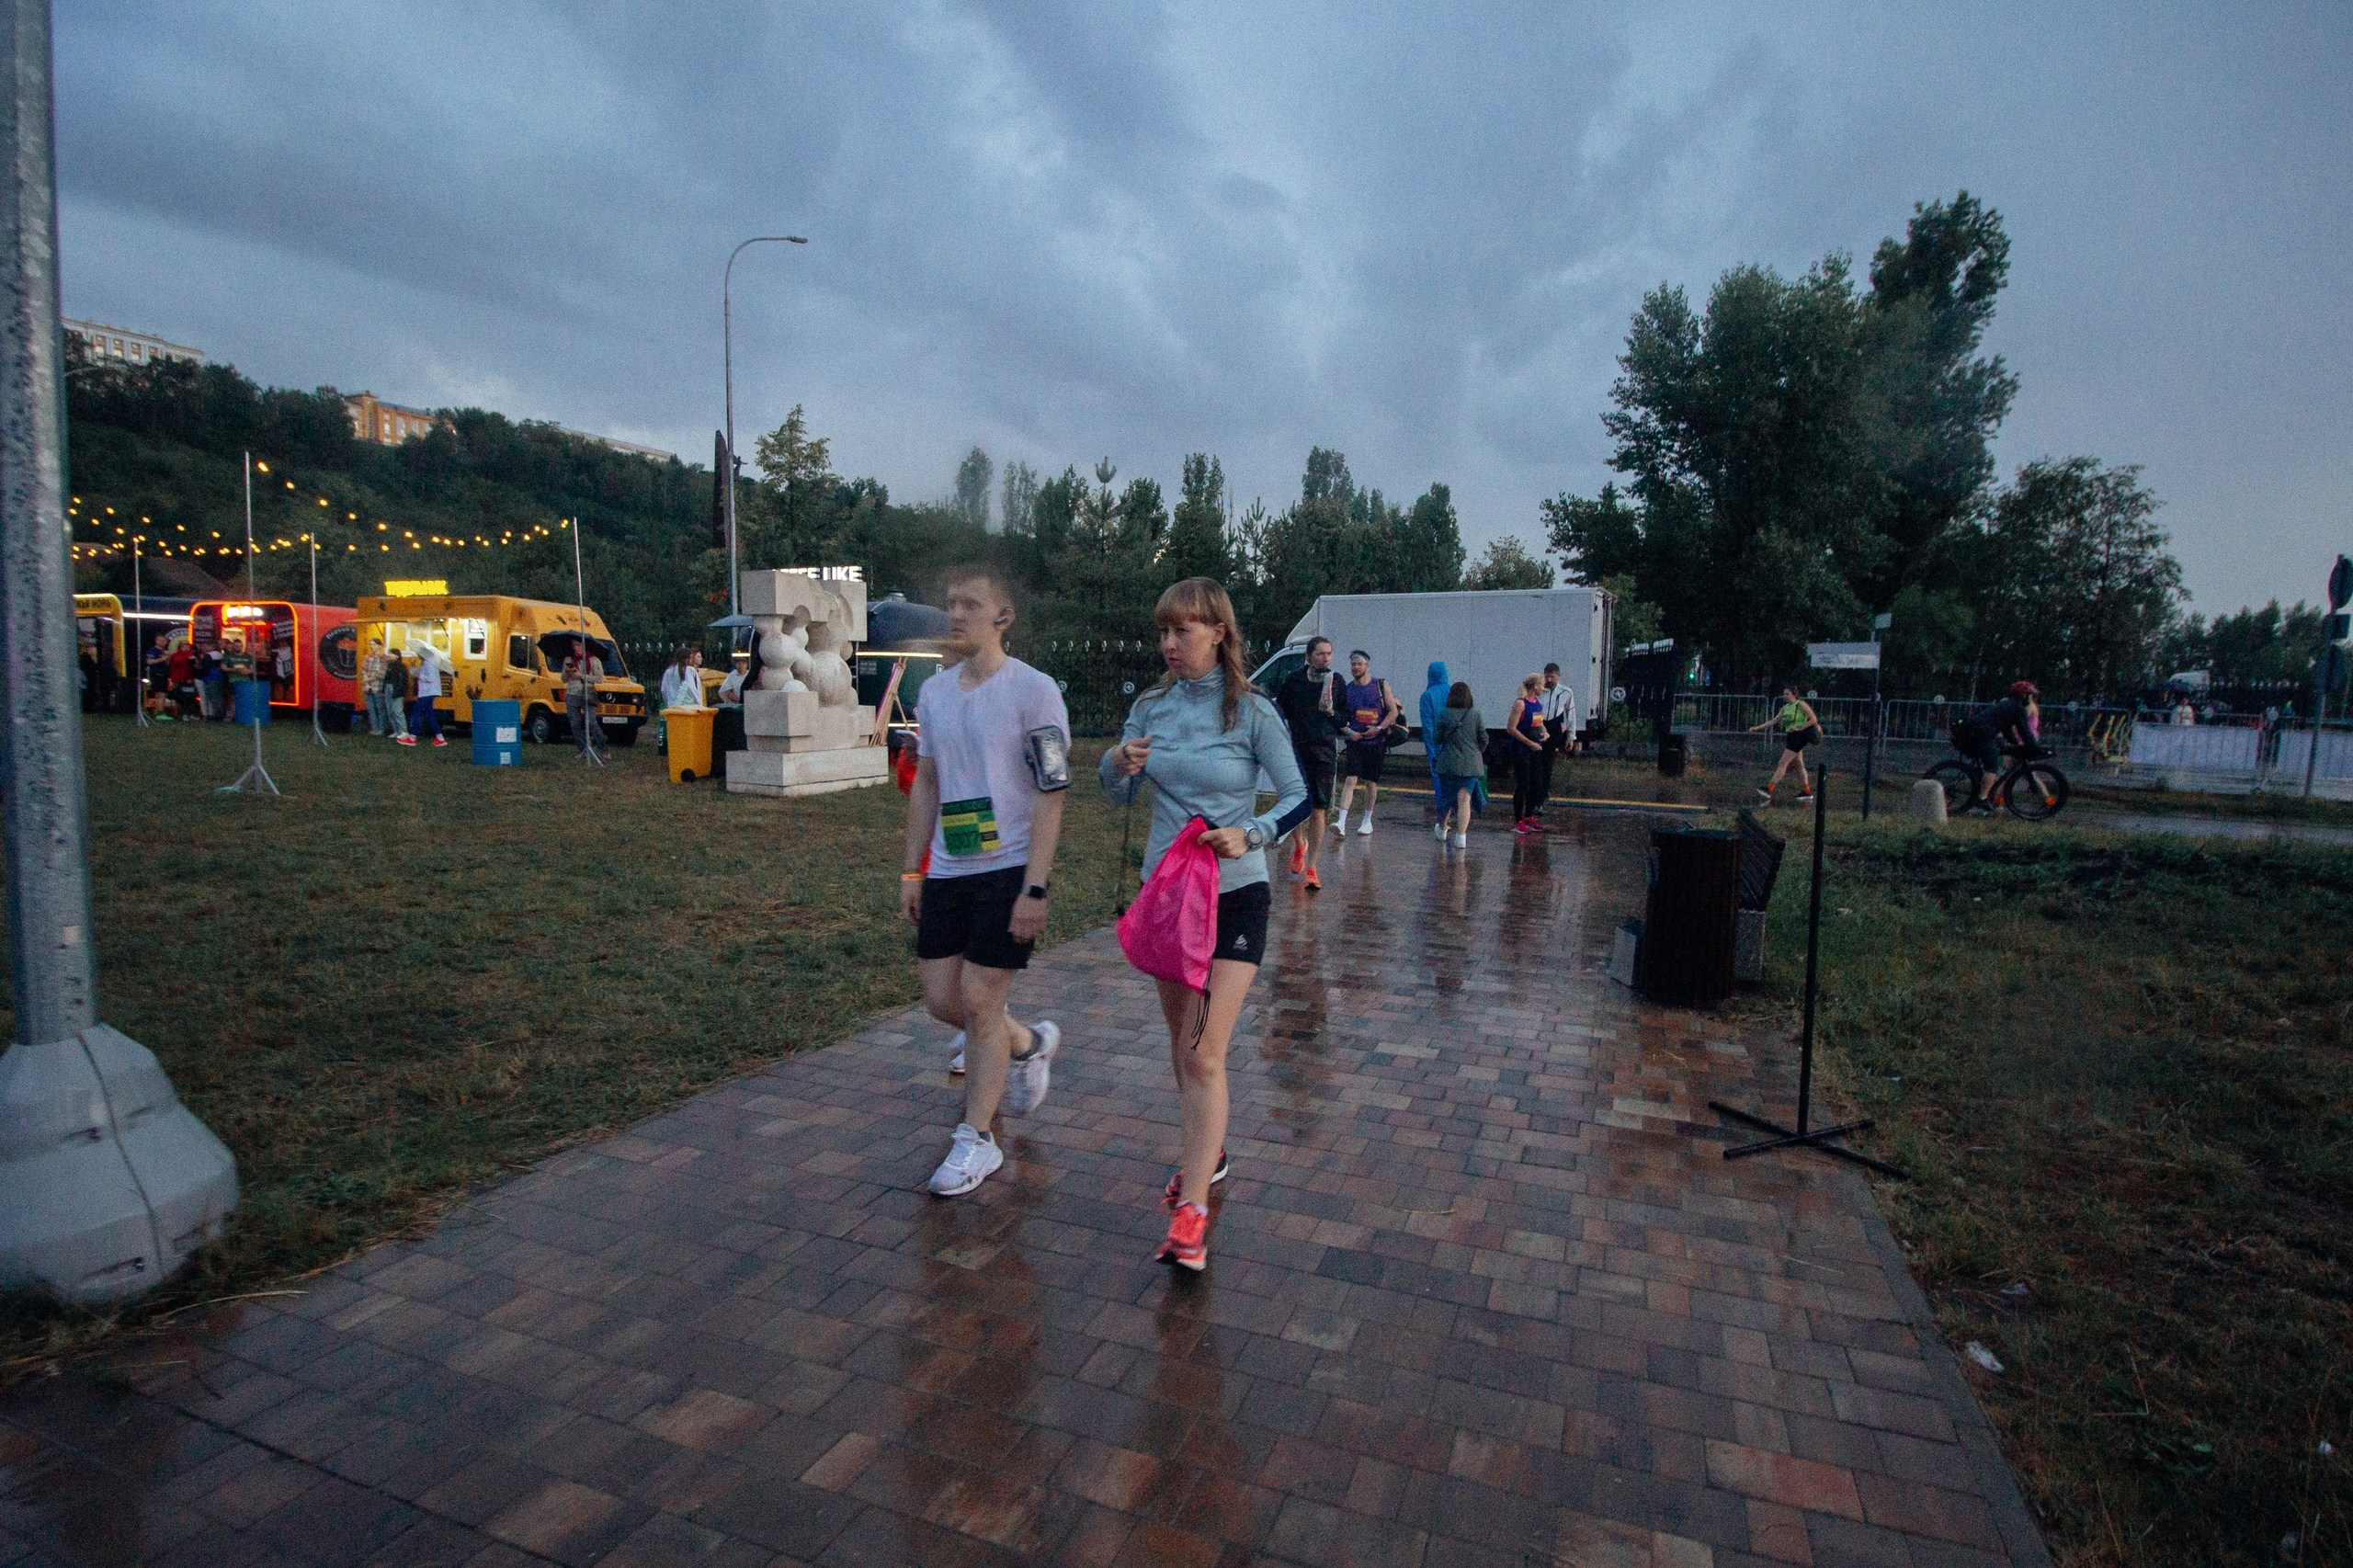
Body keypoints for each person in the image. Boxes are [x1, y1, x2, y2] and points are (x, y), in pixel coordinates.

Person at [1103, 577, 1308, 1271]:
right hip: (1166, 897)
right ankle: (1208, 1150)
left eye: (1182, 630)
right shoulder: (1149, 708)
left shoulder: (1251, 712)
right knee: (1181, 1041)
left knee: (1204, 1051)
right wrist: (1116, 762)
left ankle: (1191, 1213)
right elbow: (1116, 790)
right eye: (1162, 631)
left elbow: (1300, 796)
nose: (1168, 643)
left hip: (1236, 896)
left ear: (1218, 632)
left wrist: (1249, 834)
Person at [903, 565, 1070, 1200]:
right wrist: (911, 868)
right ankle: (1027, 1043)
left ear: (1004, 617)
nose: (955, 613)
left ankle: (977, 1140)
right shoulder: (937, 694)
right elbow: (926, 782)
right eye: (950, 603)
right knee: (943, 1000)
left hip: (1009, 867)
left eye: (971, 604)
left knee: (978, 1001)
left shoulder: (1034, 690)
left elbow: (1053, 791)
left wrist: (1036, 887)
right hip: (949, 867)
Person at [1272, 636, 1344, 890]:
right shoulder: (1295, 679)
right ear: (1309, 656)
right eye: (1321, 653)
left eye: (1329, 653)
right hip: (1298, 750)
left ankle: (1312, 867)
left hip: (1324, 752)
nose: (1326, 658)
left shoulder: (1335, 681)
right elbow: (1280, 709)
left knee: (1319, 809)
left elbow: (1344, 716)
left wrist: (1332, 713)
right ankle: (1299, 843)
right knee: (1296, 803)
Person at [1331, 650, 1404, 838]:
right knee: (1350, 779)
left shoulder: (1380, 685)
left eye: (1359, 664)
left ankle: (1367, 820)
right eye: (1353, 664)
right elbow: (1341, 716)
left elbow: (1392, 712)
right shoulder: (1348, 690)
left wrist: (1378, 728)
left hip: (1376, 741)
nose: (1355, 667)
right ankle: (1341, 822)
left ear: (1367, 666)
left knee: (1371, 783)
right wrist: (1350, 732)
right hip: (1356, 740)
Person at [1951, 681, 2041, 811]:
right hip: (1978, 735)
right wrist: (2033, 747)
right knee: (1992, 765)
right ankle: (1982, 798)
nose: (2032, 698)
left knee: (1997, 751)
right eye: (2030, 695)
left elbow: (2007, 730)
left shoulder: (2008, 705)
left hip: (1975, 733)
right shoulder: (2018, 708)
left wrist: (2017, 744)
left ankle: (1980, 785)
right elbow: (2024, 731)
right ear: (2024, 696)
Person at [1429, 681, 1485, 849]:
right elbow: (1483, 739)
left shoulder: (1444, 714)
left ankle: (1442, 828)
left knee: (1447, 799)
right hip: (1471, 765)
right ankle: (1461, 837)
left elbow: (1437, 738)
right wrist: (1476, 750)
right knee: (1464, 799)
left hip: (1448, 764)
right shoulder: (1475, 714)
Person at [1749, 686, 1822, 805]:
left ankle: (1769, 789)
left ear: (1794, 694)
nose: (1785, 696)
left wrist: (1800, 727)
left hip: (1799, 736)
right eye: (1784, 693)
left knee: (1783, 763)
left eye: (1787, 693)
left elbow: (1813, 719)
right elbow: (1774, 721)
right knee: (1799, 765)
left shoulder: (1801, 705)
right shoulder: (1786, 708)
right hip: (1791, 736)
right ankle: (1807, 792)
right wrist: (1757, 728)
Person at [1505, 673, 1550, 833]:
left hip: (1536, 749)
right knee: (1523, 784)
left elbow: (1540, 723)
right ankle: (1518, 820)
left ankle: (1529, 815)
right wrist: (1529, 743)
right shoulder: (1520, 704)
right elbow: (1511, 728)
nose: (1544, 688)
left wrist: (1545, 733)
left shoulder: (1537, 703)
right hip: (1521, 750)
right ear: (1535, 686)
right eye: (1542, 685)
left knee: (1536, 783)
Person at [1536, 662, 1577, 817]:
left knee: (1548, 765)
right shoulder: (1540, 691)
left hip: (1554, 728)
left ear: (1558, 676)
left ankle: (1542, 797)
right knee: (1537, 765)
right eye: (1547, 676)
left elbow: (1570, 714)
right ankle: (1536, 795)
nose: (1549, 679)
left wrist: (1571, 737)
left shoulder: (1566, 692)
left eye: (1552, 676)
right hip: (1540, 724)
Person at [563, 636, 608, 760]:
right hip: (572, 692)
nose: (576, 648)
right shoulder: (569, 659)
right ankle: (583, 749)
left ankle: (603, 749)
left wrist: (581, 675)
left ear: (583, 645)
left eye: (578, 645)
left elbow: (599, 678)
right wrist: (568, 674)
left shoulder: (593, 660)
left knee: (591, 722)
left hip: (587, 692)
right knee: (575, 723)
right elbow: (563, 679)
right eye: (573, 646)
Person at [402, 646, 448, 747]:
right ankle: (440, 738)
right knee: (429, 715)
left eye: (418, 653)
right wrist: (413, 666)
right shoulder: (425, 662)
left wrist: (420, 676)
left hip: (427, 692)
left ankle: (412, 737)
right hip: (427, 692)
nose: (417, 655)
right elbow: (414, 673)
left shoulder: (429, 663)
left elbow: (430, 678)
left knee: (416, 713)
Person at [379, 644, 410, 740]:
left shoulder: (401, 666)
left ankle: (404, 731)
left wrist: (399, 691)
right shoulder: (389, 665)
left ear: (396, 656)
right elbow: (386, 679)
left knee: (397, 711)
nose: (389, 655)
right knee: (390, 711)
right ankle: (396, 730)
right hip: (388, 688)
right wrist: (384, 689)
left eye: (391, 654)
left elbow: (403, 681)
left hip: (396, 689)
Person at [360, 638, 391, 735]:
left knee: (380, 708)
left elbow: (381, 674)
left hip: (378, 687)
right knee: (371, 708)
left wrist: (368, 680)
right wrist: (366, 681)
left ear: (379, 645)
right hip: (367, 686)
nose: (372, 646)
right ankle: (374, 728)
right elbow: (363, 669)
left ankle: (381, 728)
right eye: (370, 644)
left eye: (373, 644)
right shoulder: (367, 657)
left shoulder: (384, 658)